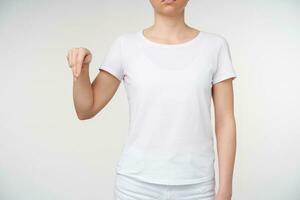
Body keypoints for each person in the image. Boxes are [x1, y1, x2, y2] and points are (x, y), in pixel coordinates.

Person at [66, 0, 237, 199]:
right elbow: (86, 110)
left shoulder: (215, 46)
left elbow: (225, 121)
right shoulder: (125, 46)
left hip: (196, 186)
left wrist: (225, 190)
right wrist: (81, 70)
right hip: (136, 186)